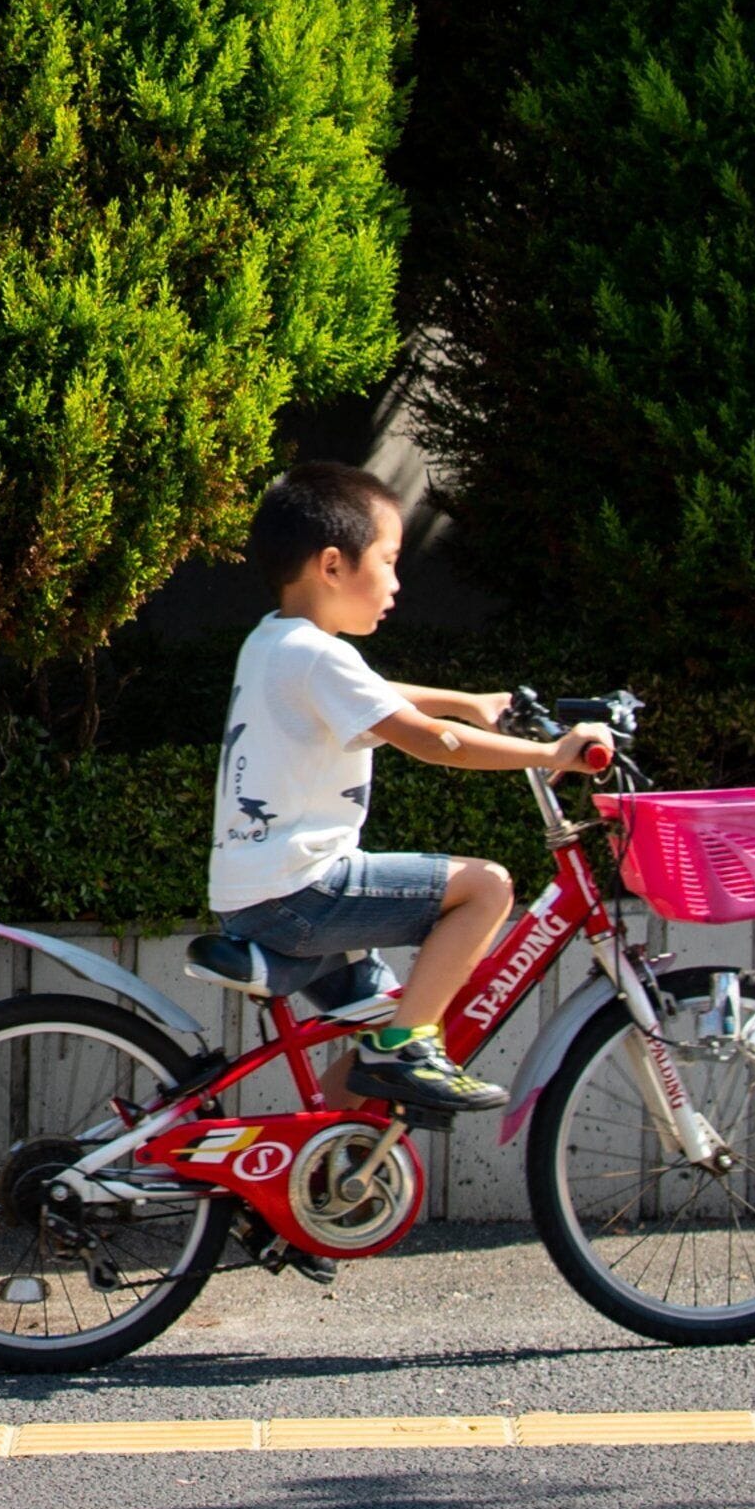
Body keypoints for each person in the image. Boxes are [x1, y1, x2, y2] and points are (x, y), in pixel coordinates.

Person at [201, 461, 611, 1113]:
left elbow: (373, 694)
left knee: (382, 1016)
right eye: (389, 561)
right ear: (333, 565)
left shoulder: (277, 641)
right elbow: (430, 741)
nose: (396, 581)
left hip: (259, 890)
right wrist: (549, 751)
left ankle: (318, 1169)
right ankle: (406, 1049)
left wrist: (465, 700)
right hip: (303, 891)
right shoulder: (317, 654)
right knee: (487, 887)